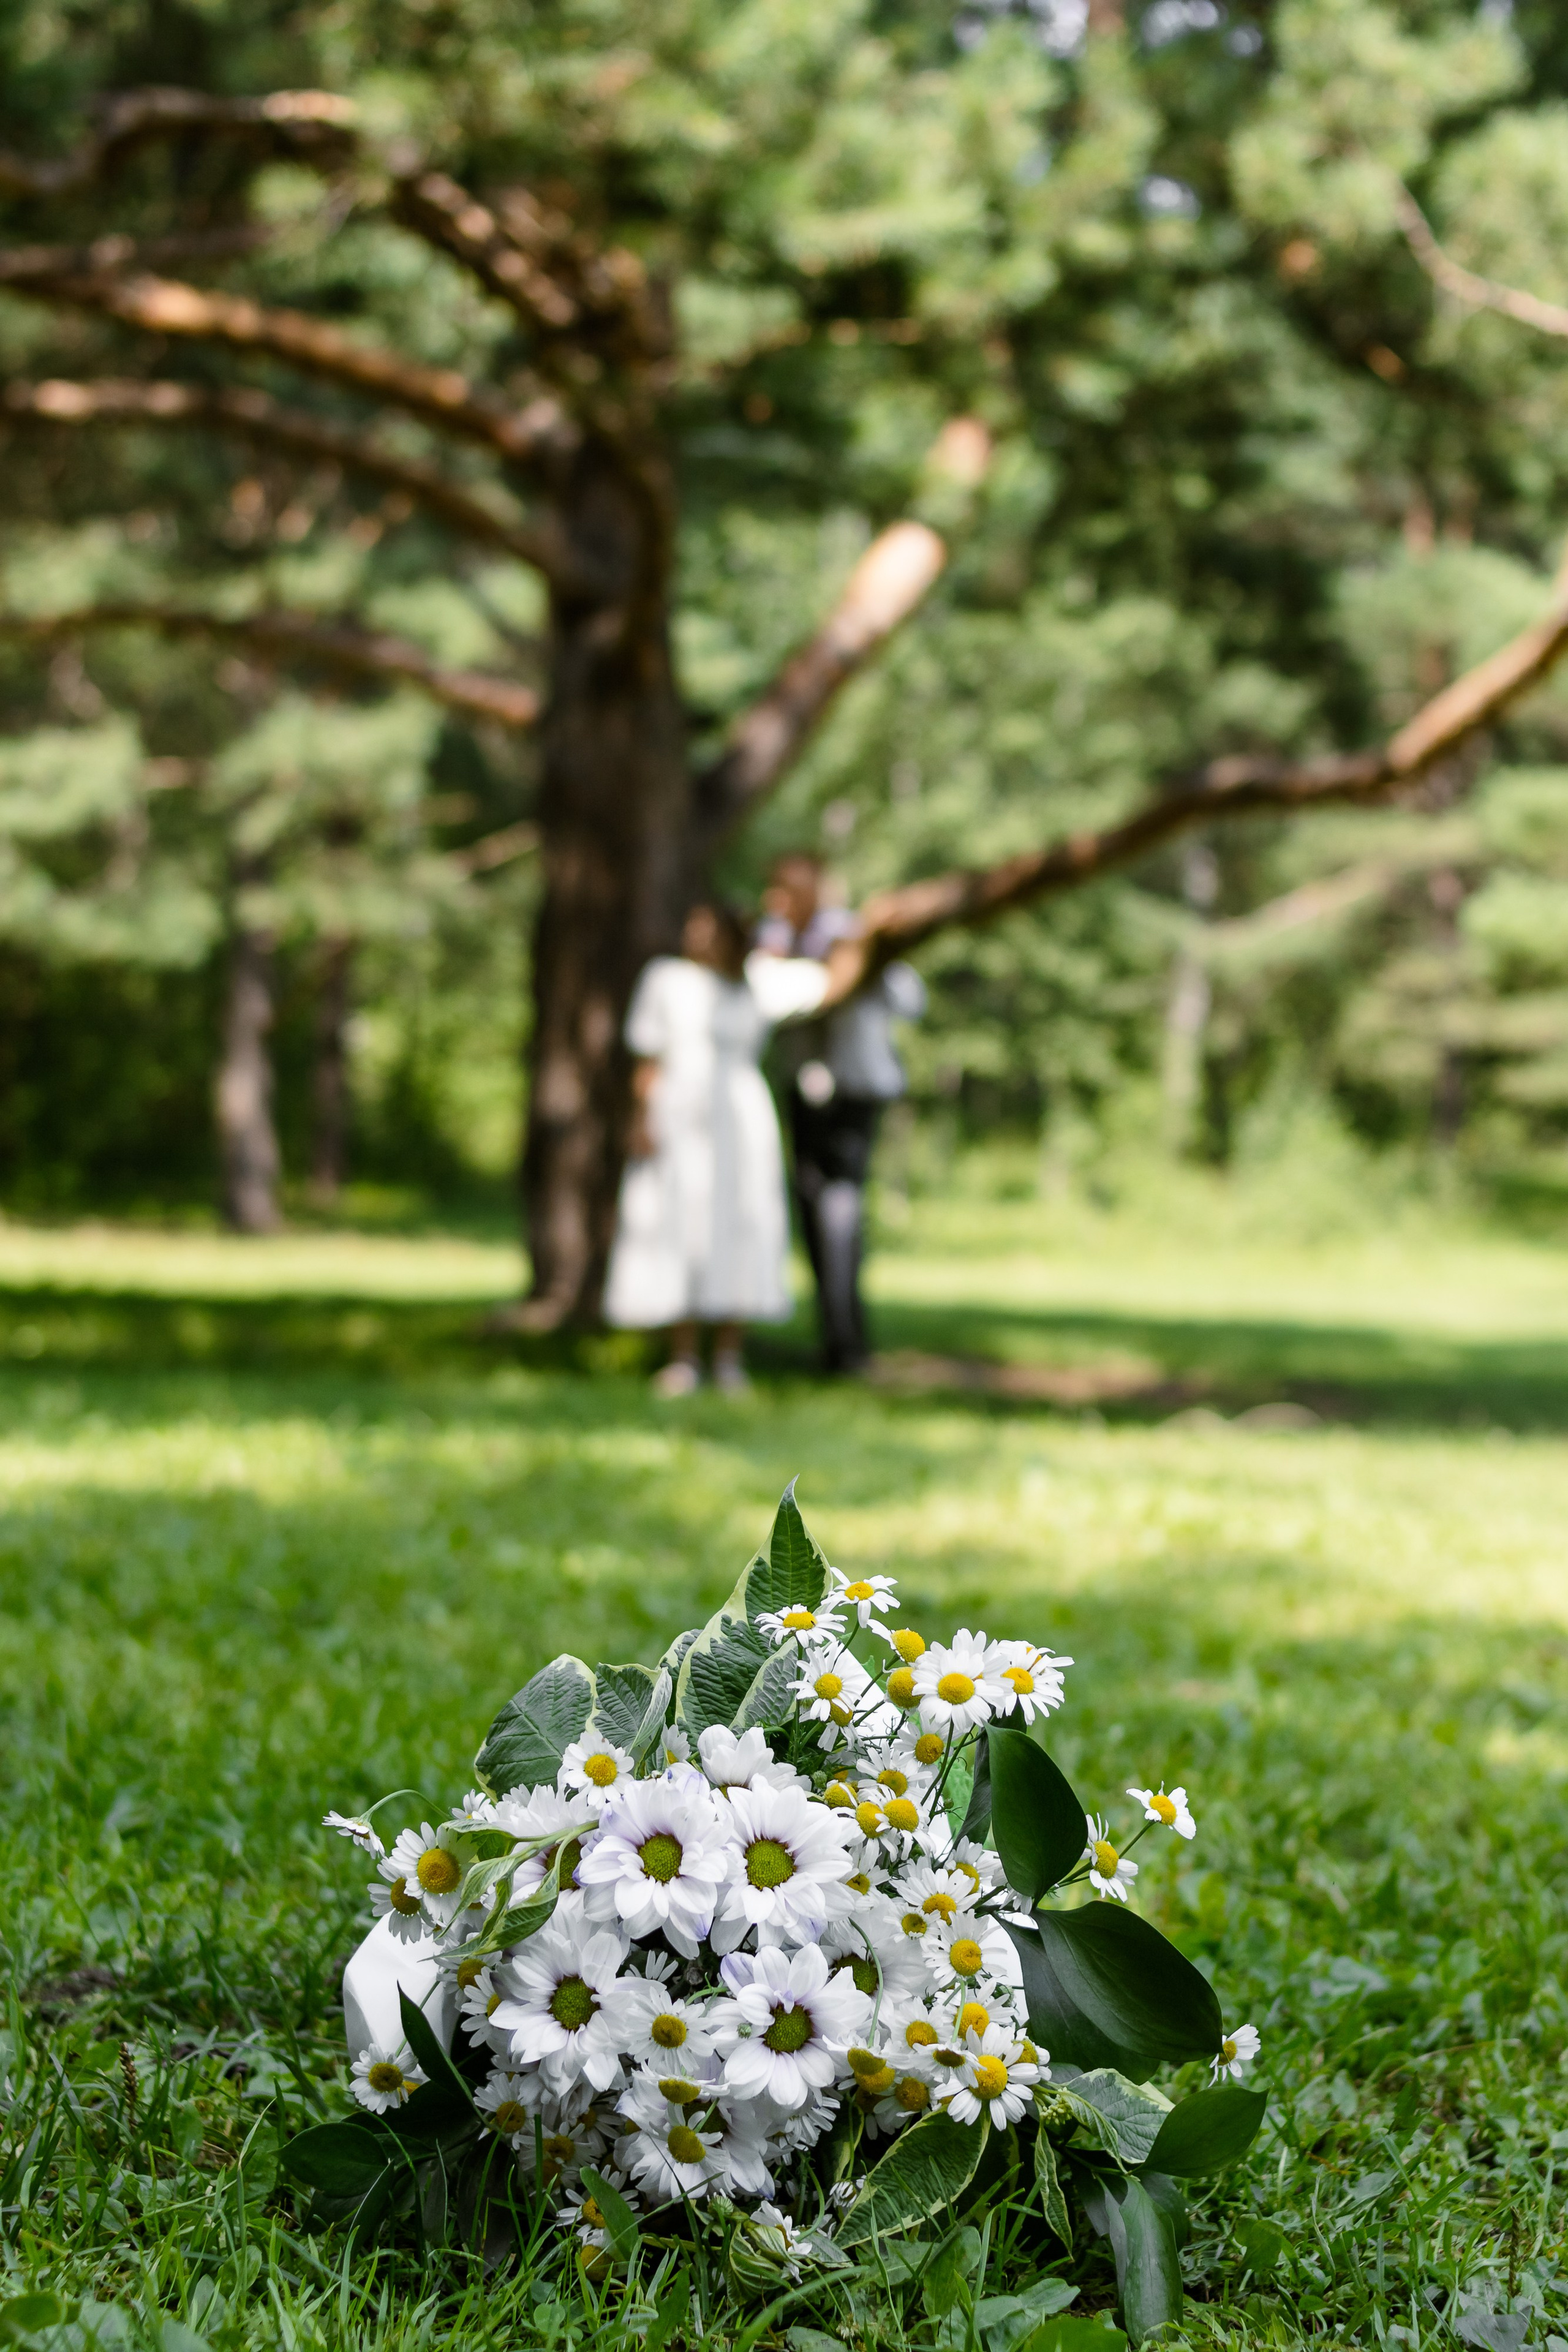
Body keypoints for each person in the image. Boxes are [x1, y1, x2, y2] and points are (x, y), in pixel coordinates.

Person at [603, 902, 832, 1395]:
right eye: (693, 926)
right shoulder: (665, 978)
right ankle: (682, 1357)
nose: (698, 937)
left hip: (741, 1120)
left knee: (741, 1225)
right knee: (679, 1222)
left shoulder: (759, 984)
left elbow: (827, 977)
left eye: (709, 930)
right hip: (679, 1113)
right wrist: (641, 1117)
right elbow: (648, 1055)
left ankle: (730, 1357)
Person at [755, 851, 927, 1374]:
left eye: (784, 890)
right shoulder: (774, 942)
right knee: (813, 1208)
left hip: (853, 1090)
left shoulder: (850, 933)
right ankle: (834, 1338)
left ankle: (849, 1343)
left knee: (840, 1210)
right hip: (803, 1088)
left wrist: (864, 967)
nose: (774, 901)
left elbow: (909, 1000)